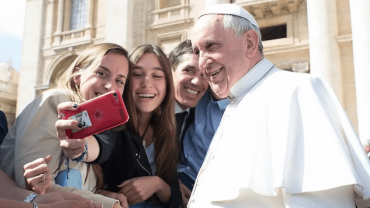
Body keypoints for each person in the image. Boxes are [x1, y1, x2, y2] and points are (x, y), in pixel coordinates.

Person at [187, 3, 370, 208]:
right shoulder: (234, 105)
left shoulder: (298, 91)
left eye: (211, 46)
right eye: (197, 51)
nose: (202, 62)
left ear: (249, 43)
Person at [0, 43, 131, 208]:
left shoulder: (95, 122)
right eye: (101, 73)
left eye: (119, 81)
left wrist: (102, 194)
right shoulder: (57, 100)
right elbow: (37, 188)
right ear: (78, 75)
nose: (110, 86)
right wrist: (110, 205)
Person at [56, 44, 182, 208]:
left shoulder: (167, 129)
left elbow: (176, 196)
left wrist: (156, 184)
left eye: (157, 75)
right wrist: (83, 147)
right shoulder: (112, 121)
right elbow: (101, 144)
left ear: (167, 85)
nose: (146, 83)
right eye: (137, 74)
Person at [168, 40, 229, 206]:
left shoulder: (206, 100)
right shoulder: (150, 105)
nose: (196, 82)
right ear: (169, 71)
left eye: (204, 74)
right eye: (188, 71)